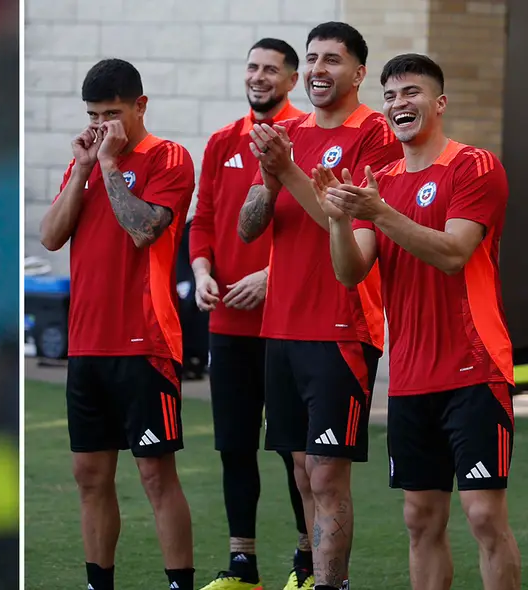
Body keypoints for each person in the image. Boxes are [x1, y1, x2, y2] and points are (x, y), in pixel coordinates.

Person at [315, 53, 521, 590]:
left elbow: (454, 253)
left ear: (439, 102)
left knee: (482, 516)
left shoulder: (473, 165)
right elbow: (350, 271)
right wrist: (339, 221)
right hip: (410, 378)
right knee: (420, 520)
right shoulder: (377, 180)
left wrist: (377, 212)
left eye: (411, 93)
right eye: (390, 95)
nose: (398, 103)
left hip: (476, 369)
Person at [236, 22, 403, 590]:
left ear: (358, 73)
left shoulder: (376, 137)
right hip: (281, 326)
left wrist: (287, 171)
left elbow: (354, 233)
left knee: (328, 473)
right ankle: (313, 578)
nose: (317, 70)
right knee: (303, 471)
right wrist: (267, 177)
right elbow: (250, 226)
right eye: (311, 59)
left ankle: (332, 585)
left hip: (342, 325)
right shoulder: (291, 132)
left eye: (332, 60)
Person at [39, 58, 197, 590]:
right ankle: (98, 582)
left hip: (145, 342)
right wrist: (84, 168)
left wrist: (107, 167)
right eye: (93, 115)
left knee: (155, 474)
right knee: (89, 476)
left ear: (140, 107)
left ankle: (178, 582)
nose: (102, 125)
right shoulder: (85, 163)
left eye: (112, 113)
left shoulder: (169, 157)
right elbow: (50, 236)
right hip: (87, 344)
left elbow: (144, 230)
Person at [189, 38, 314, 590]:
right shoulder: (221, 142)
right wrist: (201, 273)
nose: (258, 76)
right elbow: (204, 222)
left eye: (271, 69)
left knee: (295, 452)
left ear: (291, 81)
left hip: (289, 320)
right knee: (234, 446)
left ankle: (309, 565)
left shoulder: (306, 140)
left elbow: (315, 227)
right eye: (252, 67)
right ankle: (243, 567)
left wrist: (273, 277)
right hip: (228, 325)